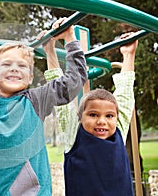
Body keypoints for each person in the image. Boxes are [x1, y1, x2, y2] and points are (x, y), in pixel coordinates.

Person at [0, 12, 88, 195]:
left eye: (22, 66)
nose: (14, 68)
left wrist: (70, 39)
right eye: (6, 65)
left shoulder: (37, 99)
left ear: (30, 77)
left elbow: (74, 80)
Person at [46, 32, 138, 196]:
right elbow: (60, 94)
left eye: (109, 116)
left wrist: (129, 54)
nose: (102, 121)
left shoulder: (118, 131)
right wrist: (52, 49)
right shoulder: (75, 133)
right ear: (80, 118)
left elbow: (124, 94)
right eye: (93, 115)